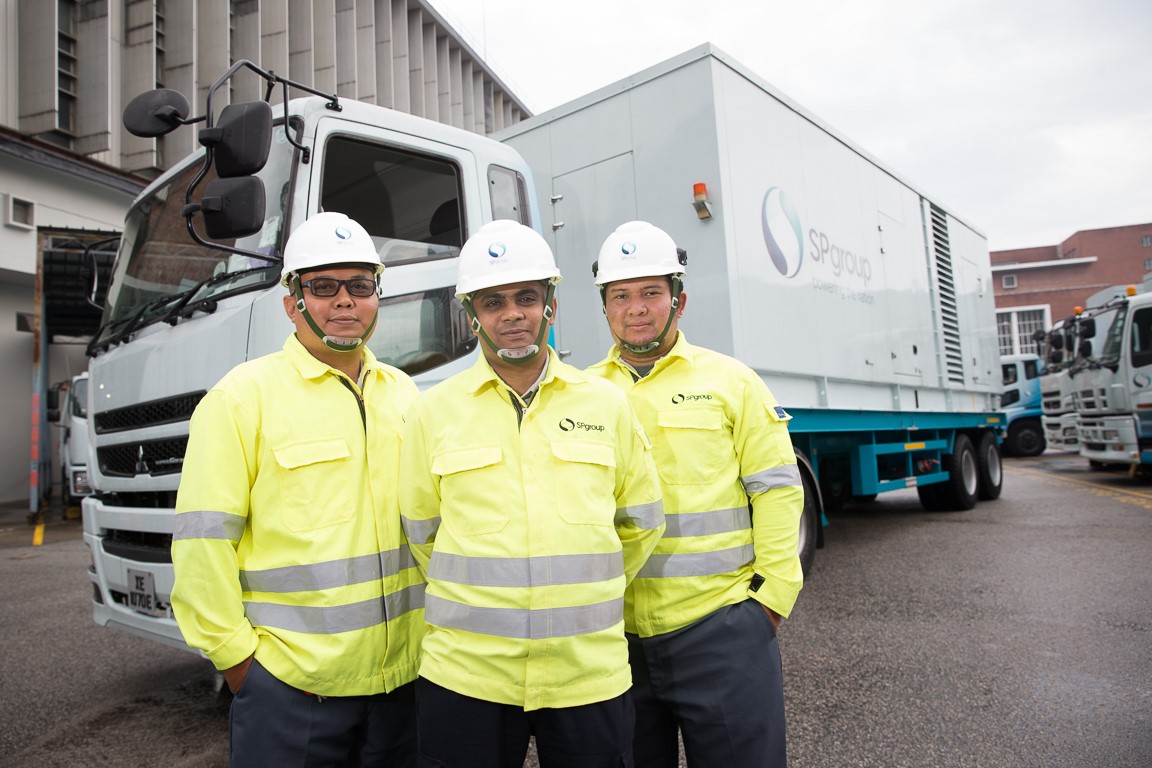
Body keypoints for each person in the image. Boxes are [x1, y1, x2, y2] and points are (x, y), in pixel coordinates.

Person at [398, 219, 665, 767]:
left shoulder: (605, 405)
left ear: (551, 304)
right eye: (492, 301)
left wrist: (576, 595)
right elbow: (421, 530)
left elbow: (640, 524)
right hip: (467, 677)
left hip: (587, 675)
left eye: (526, 296)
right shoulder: (433, 412)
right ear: (471, 314)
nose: (512, 313)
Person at [170, 211, 424, 767]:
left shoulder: (406, 397)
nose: (344, 301)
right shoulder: (243, 398)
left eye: (359, 286)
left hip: (401, 686)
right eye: (323, 286)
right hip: (291, 689)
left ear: (377, 297)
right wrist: (240, 664)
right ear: (292, 302)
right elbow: (201, 543)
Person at [587, 220, 805, 768]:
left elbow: (777, 489)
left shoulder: (733, 382)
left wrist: (769, 602)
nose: (637, 308)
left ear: (678, 301)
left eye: (651, 293)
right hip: (617, 638)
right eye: (621, 295)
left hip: (722, 629)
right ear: (605, 307)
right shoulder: (581, 394)